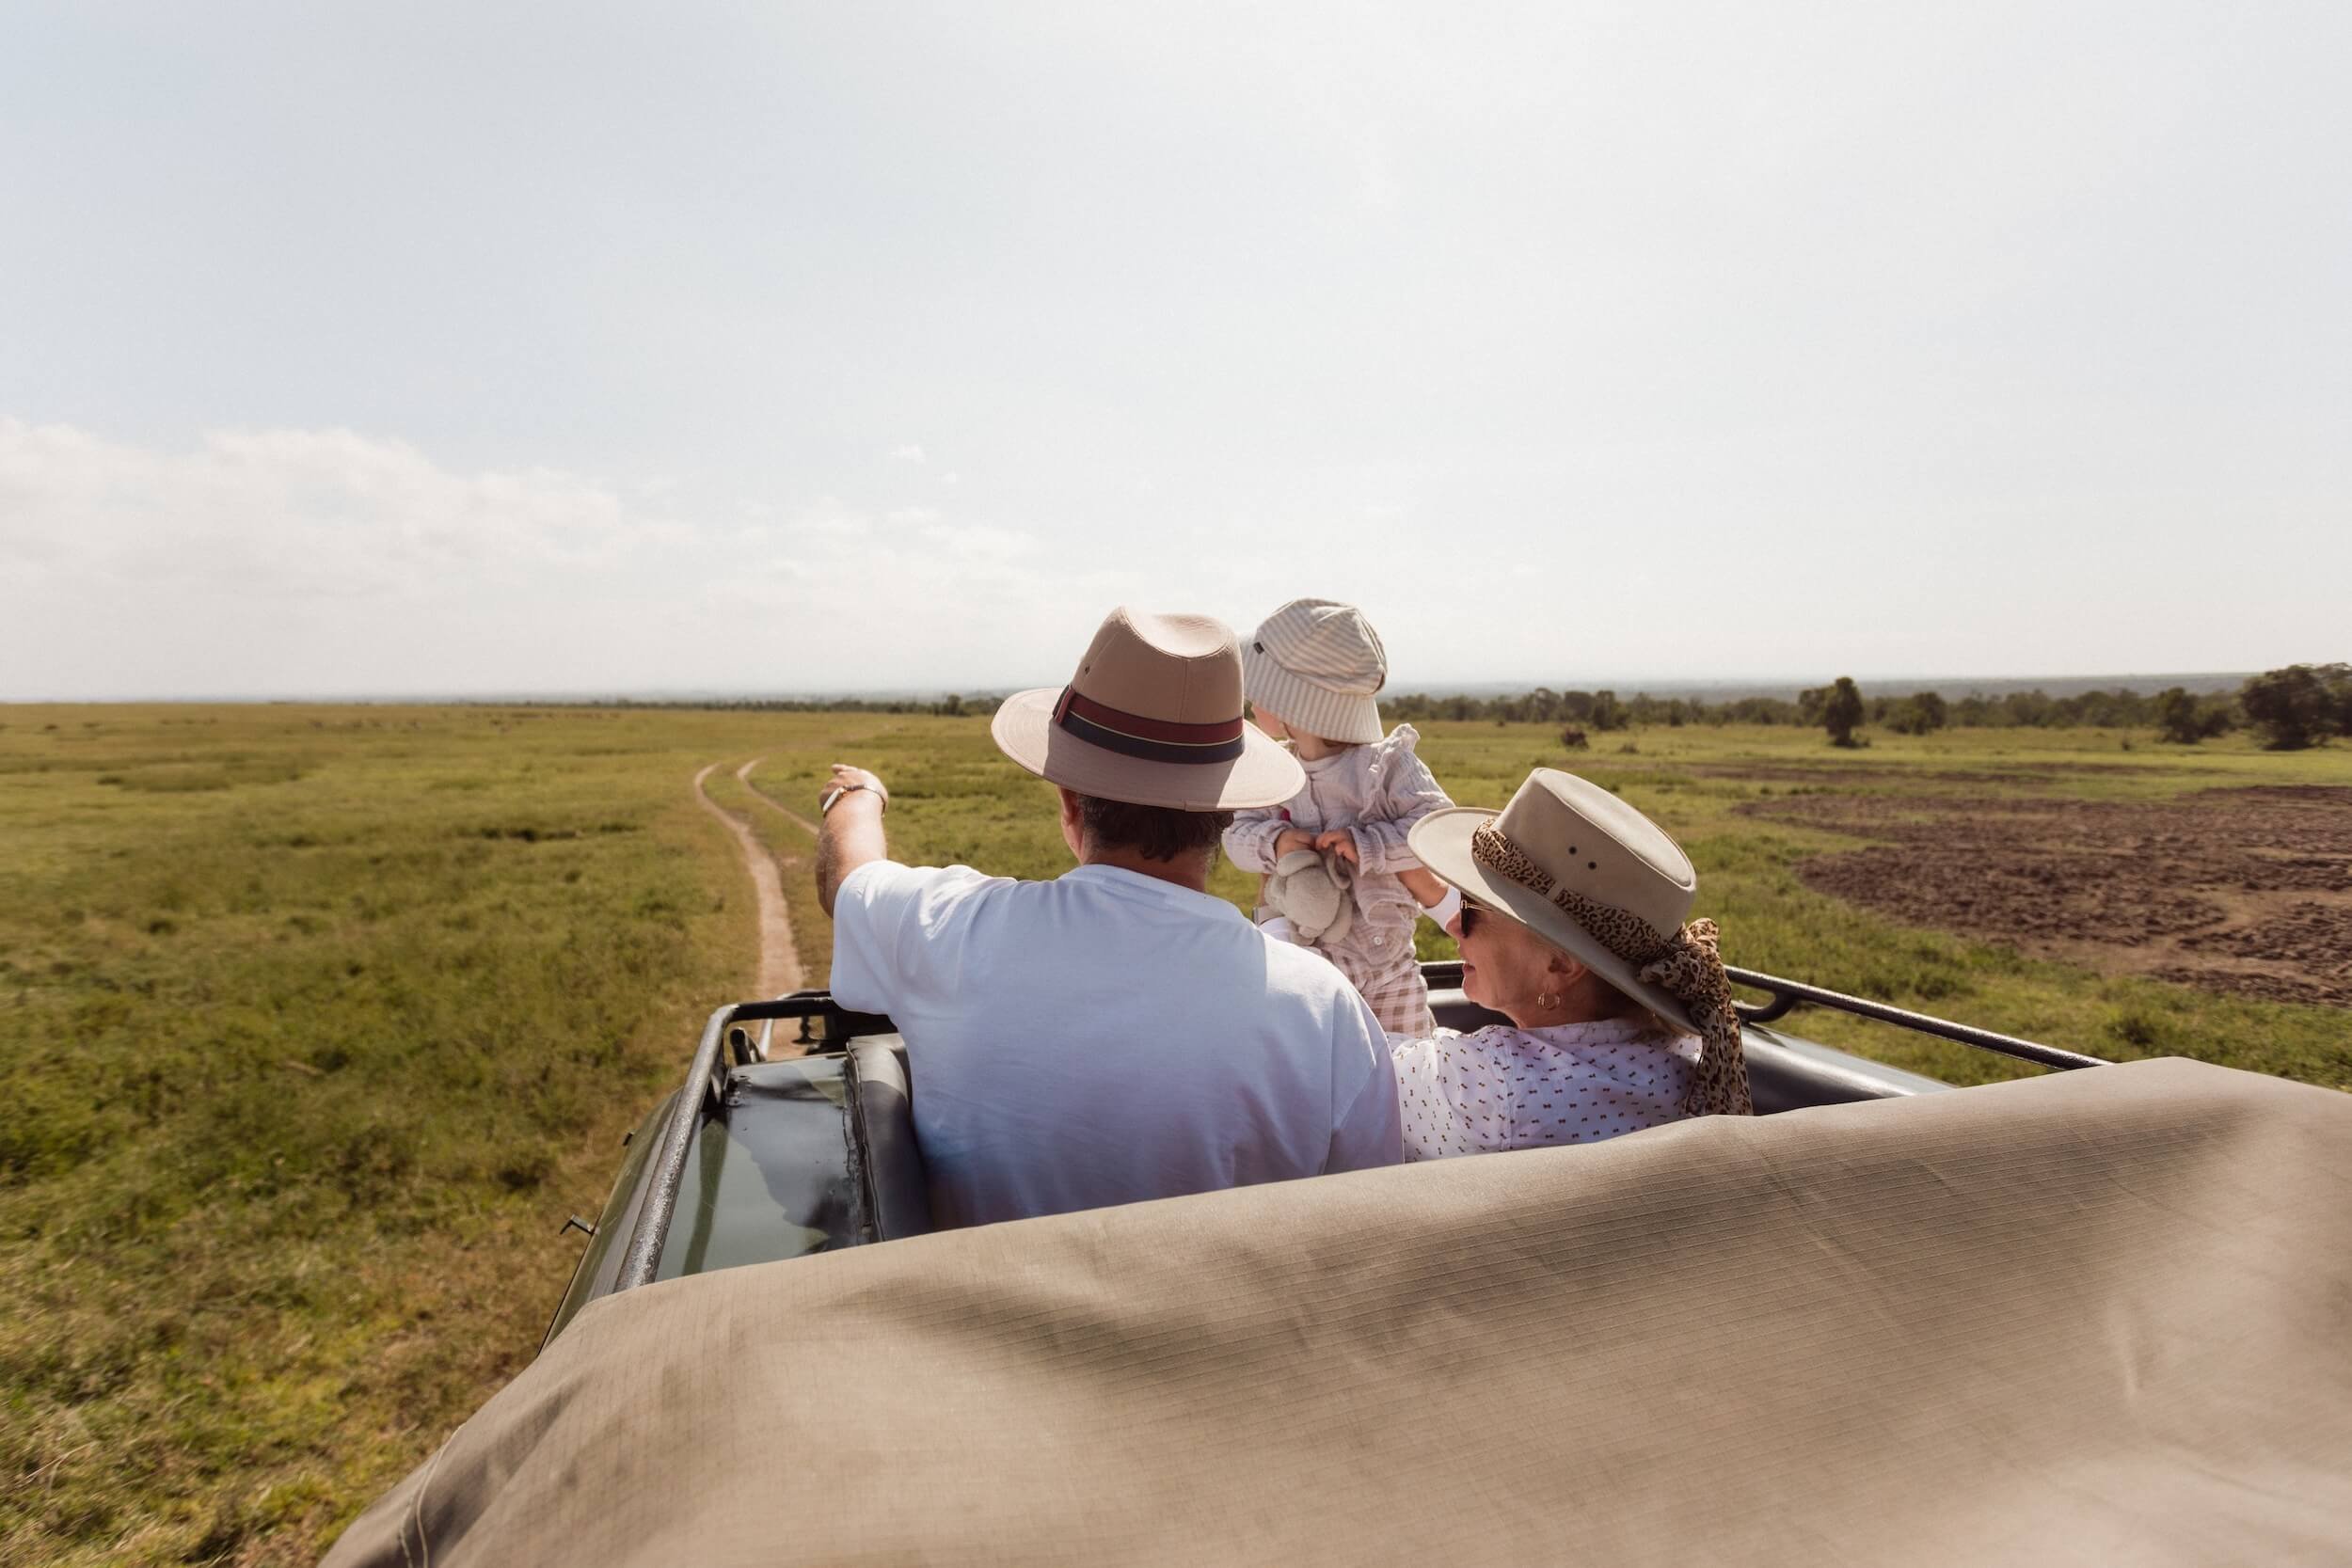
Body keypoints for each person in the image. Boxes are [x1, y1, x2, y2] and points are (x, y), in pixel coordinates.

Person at [815, 606, 1403, 1227]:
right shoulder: (1326, 1010)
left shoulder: (951, 928)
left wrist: (854, 797)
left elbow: (849, 881)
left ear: (1070, 800)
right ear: (1226, 812)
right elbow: (1365, 1225)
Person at [1387, 768, 1753, 1160]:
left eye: (1472, 908)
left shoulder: (1487, 1085)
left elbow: (1345, 1061)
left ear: (1561, 964)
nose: (1455, 926)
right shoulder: (1691, 1066)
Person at [1222, 599, 1461, 1036]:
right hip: (1309, 966)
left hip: (1392, 966)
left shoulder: (1388, 767)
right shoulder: (1273, 771)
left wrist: (1369, 845)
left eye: (1258, 691)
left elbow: (1438, 830)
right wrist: (1273, 842)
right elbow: (1235, 836)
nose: (1250, 701)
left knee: (1406, 1075)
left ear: (1289, 704)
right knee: (1321, 1076)